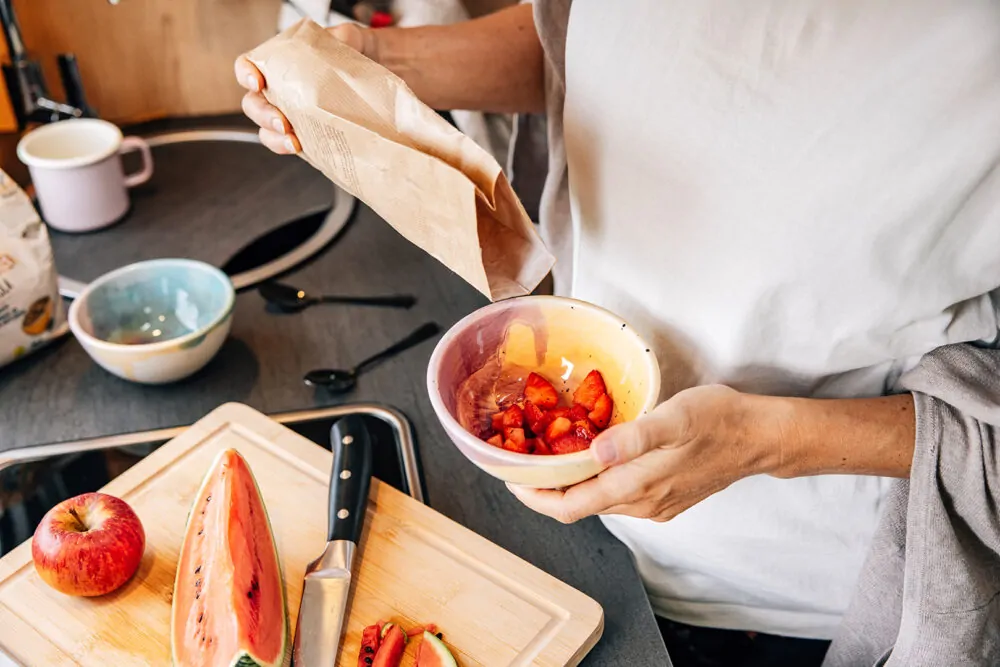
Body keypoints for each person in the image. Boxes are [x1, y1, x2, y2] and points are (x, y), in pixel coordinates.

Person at [236, 3, 1000, 665]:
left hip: (804, 602)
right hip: (587, 541)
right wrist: (377, 65)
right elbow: (576, 44)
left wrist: (768, 438)